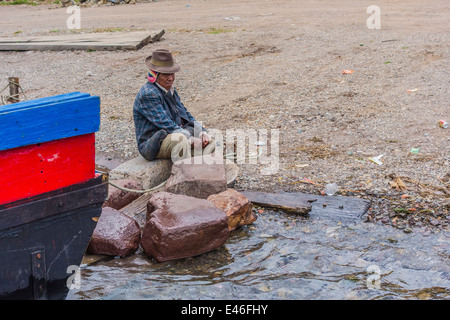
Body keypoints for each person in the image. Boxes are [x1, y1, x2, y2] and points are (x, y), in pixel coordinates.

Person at [133, 49, 215, 162]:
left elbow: (185, 114)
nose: (170, 78)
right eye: (166, 75)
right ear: (155, 74)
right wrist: (190, 138)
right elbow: (165, 123)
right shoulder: (148, 94)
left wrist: (201, 132)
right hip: (154, 143)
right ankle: (188, 171)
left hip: (174, 133)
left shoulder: (170, 89)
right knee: (182, 139)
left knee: (210, 139)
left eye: (172, 74)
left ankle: (201, 163)